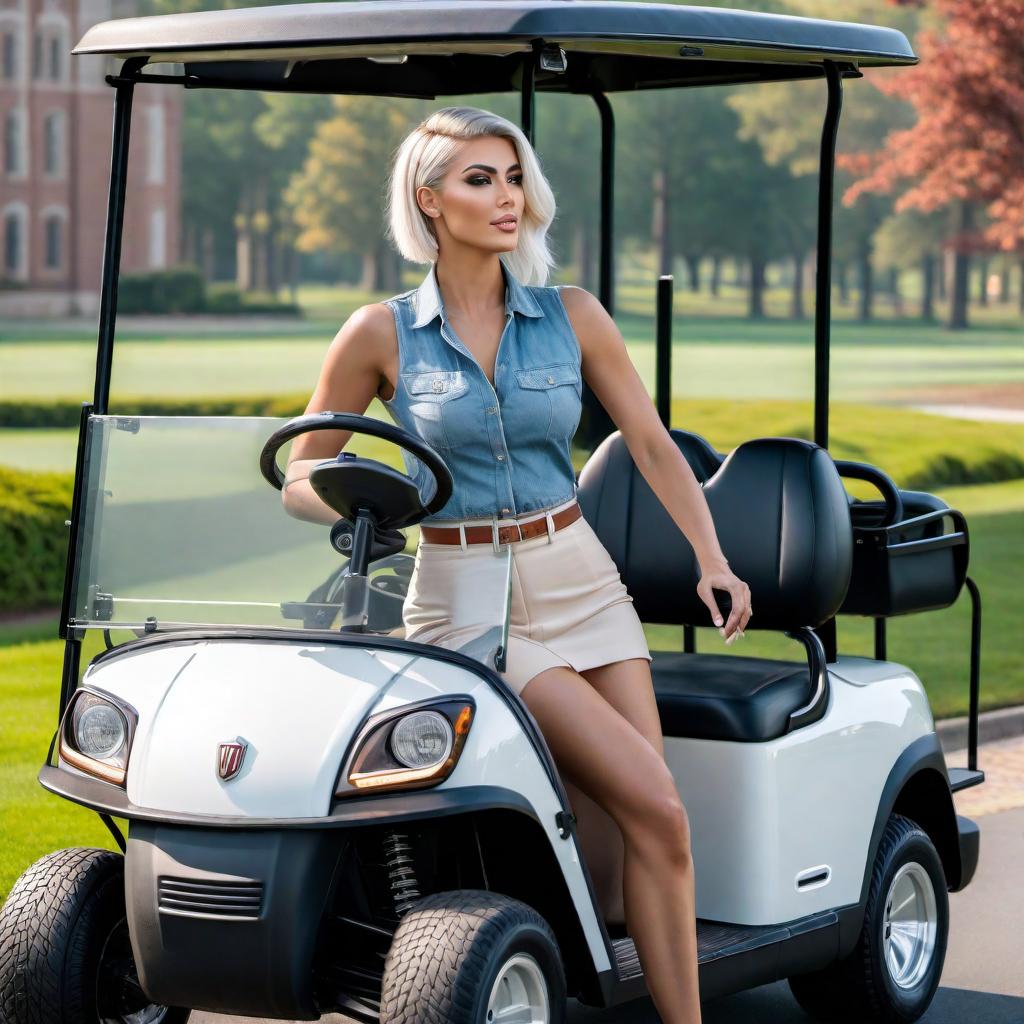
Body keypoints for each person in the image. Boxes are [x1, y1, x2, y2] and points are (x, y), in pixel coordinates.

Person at [281, 105, 752, 1024]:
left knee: (627, 844)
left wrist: (711, 557)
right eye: (479, 179)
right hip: (466, 602)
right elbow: (301, 468)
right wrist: (354, 503)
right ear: (429, 199)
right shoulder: (381, 333)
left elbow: (651, 444)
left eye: (513, 176)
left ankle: (593, 975)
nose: (508, 197)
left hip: (581, 576)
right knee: (657, 804)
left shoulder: (571, 314)